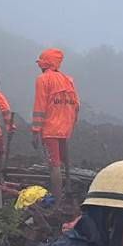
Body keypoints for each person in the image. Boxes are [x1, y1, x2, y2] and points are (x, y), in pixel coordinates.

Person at [31, 48, 79, 198]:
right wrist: (71, 123)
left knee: (54, 166)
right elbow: (76, 105)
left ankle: (57, 199)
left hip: (51, 128)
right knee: (65, 160)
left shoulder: (43, 79)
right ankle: (68, 188)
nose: (39, 66)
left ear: (45, 63)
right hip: (65, 128)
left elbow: (39, 107)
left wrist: (35, 131)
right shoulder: (68, 80)